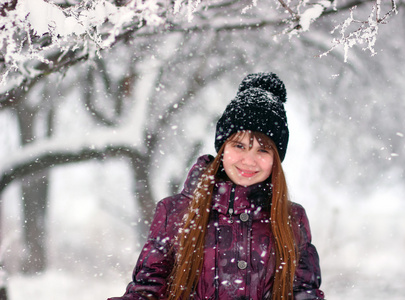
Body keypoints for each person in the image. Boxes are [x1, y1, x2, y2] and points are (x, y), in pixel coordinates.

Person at [108, 72, 325, 300]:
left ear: (275, 160)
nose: (248, 160)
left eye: (262, 150)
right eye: (239, 146)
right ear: (223, 149)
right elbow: (146, 290)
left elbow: (304, 293)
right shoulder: (176, 213)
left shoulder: (291, 219)